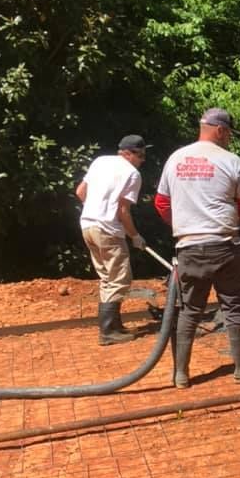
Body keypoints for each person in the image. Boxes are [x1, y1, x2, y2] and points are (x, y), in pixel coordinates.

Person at [154, 107, 240, 388]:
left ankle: (181, 375)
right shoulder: (231, 161)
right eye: (229, 134)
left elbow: (161, 204)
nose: (230, 139)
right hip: (225, 247)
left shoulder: (175, 159)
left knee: (189, 311)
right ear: (219, 130)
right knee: (234, 309)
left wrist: (183, 225)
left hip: (189, 248)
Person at [76, 134, 148, 346]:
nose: (143, 160)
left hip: (87, 226)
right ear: (128, 153)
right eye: (141, 155)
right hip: (108, 230)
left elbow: (80, 192)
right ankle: (108, 331)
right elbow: (123, 211)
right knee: (120, 279)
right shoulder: (132, 174)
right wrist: (134, 236)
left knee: (107, 278)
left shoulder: (100, 161)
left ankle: (114, 326)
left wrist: (95, 210)